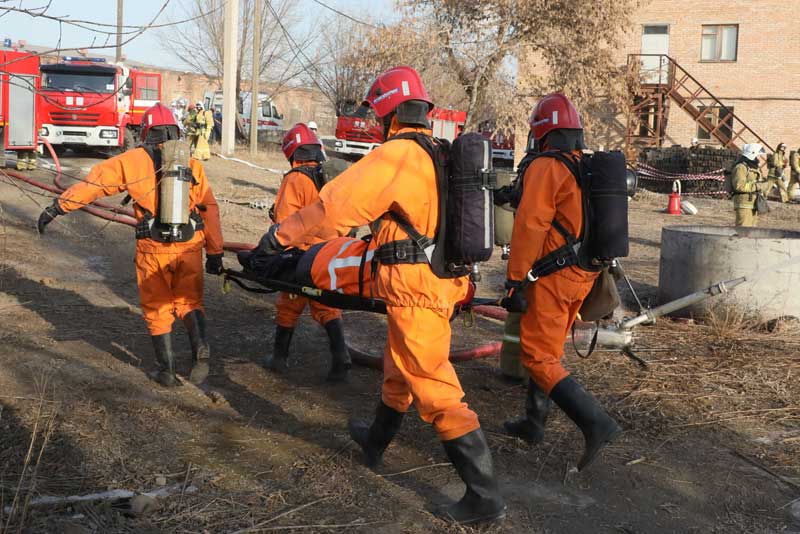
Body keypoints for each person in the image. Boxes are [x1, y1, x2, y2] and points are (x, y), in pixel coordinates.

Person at [254, 66, 505, 525]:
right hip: (437, 281)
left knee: (434, 386)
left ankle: (483, 495)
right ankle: (375, 442)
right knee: (400, 367)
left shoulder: (398, 155)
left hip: (415, 288)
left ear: (389, 113)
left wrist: (279, 237)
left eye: (376, 114)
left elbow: (334, 209)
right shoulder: (438, 152)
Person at [36, 103, 224, 387]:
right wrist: (216, 252)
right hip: (189, 247)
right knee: (189, 301)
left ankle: (167, 373)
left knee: (157, 308)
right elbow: (209, 209)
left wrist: (58, 207)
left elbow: (94, 185)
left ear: (146, 132)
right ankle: (200, 347)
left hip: (153, 248)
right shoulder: (192, 163)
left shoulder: (131, 160)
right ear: (175, 130)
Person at [502, 93, 621, 471]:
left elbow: (529, 225)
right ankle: (533, 423)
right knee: (549, 351)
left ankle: (595, 423)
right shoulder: (580, 166)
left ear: (542, 132)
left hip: (554, 276)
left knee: (536, 357)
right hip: (582, 275)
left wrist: (515, 280)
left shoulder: (547, 166)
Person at [266, 123, 351, 382]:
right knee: (327, 305)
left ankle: (279, 358)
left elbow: (284, 221)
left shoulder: (296, 179)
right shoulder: (333, 179)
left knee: (289, 304)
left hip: (301, 255)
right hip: (332, 254)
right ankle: (341, 355)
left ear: (292, 153)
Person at [730, 143, 766, 227]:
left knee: (751, 232)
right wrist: (757, 186)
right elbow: (739, 186)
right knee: (743, 231)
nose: (758, 159)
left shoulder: (753, 167)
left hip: (753, 203)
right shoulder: (740, 167)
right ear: (752, 154)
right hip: (744, 204)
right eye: (757, 156)